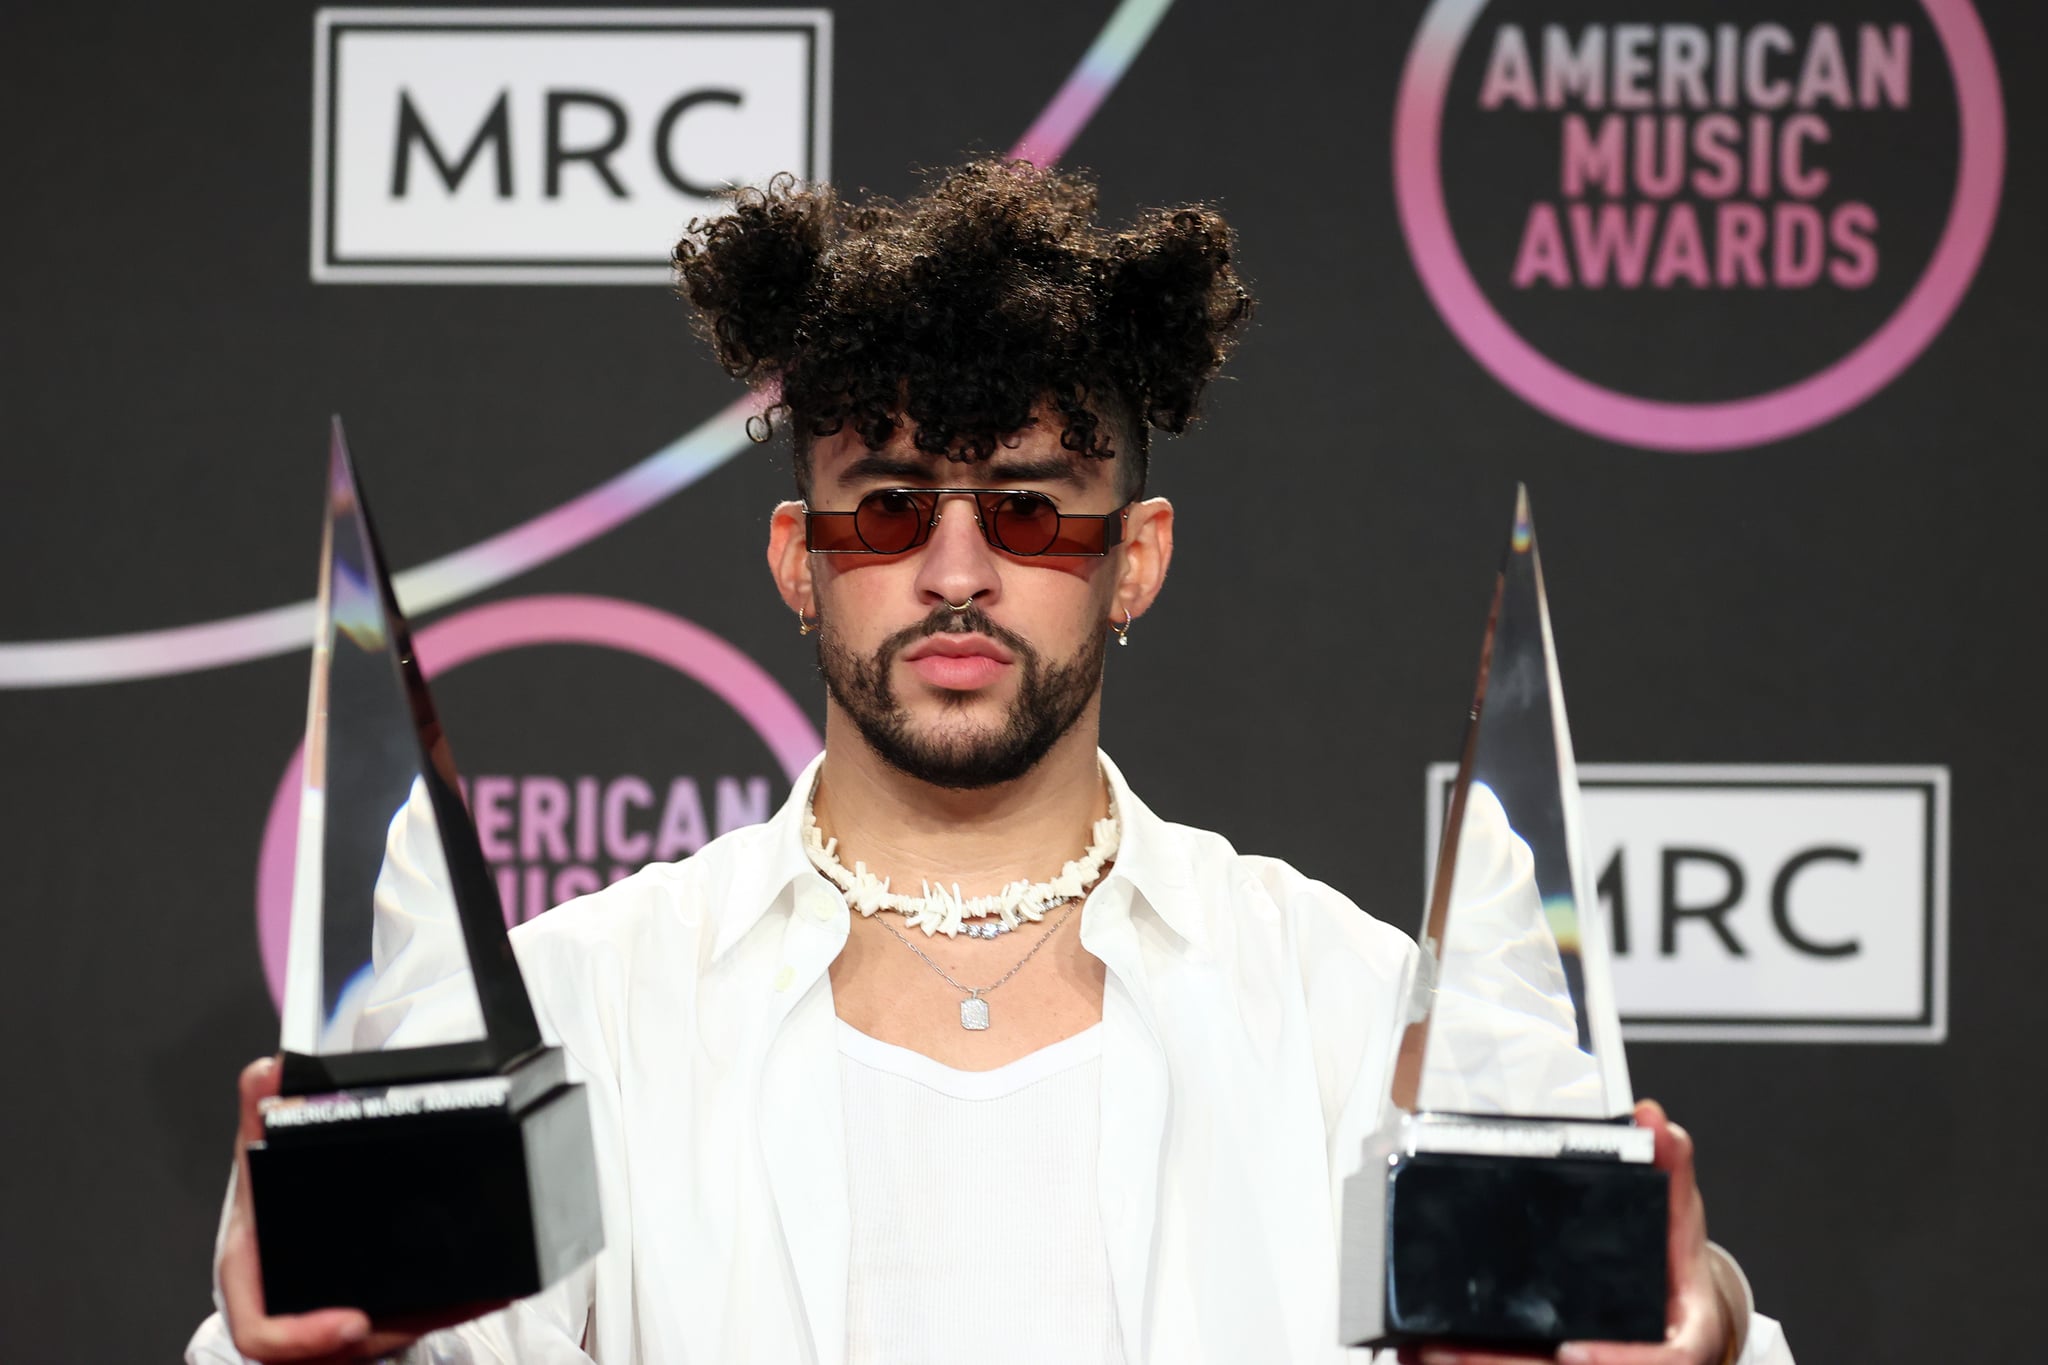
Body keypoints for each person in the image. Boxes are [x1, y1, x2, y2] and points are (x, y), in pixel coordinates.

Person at [188, 160, 1794, 1365]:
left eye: (1028, 507)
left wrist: (1698, 1320)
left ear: (1136, 555)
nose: (955, 570)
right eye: (887, 507)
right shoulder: (584, 1008)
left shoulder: (1345, 1006)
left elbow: (1625, 1334)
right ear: (797, 556)